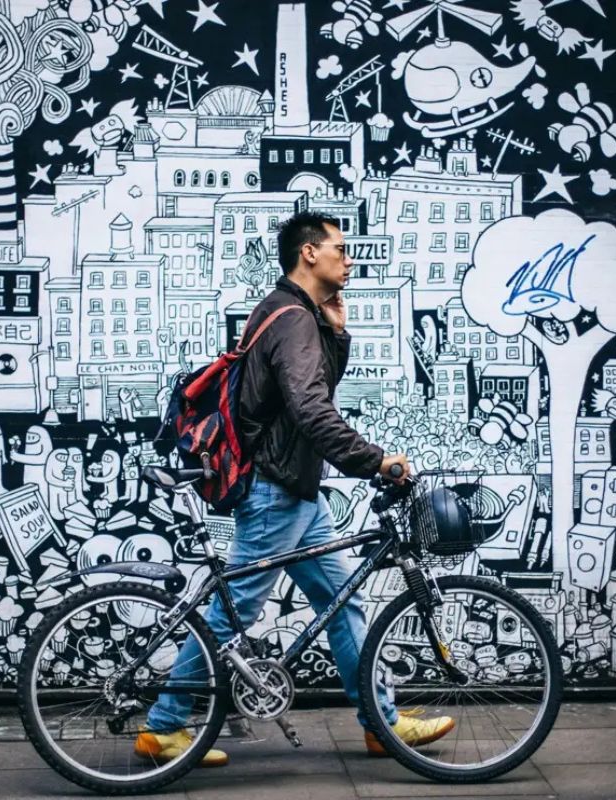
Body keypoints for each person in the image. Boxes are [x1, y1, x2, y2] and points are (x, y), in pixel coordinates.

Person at [135, 212, 454, 768]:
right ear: (309, 253)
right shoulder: (290, 319)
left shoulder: (295, 314)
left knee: (341, 599)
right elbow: (313, 409)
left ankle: (380, 722)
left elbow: (311, 390)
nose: (348, 258)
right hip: (276, 489)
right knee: (232, 613)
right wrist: (377, 461)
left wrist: (336, 330)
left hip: (295, 491)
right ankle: (163, 727)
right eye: (339, 248)